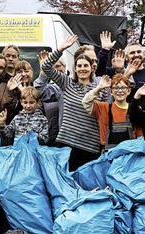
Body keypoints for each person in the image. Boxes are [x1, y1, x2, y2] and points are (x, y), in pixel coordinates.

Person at [42, 35, 106, 171]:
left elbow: (104, 117)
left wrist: (103, 145)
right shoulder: (67, 83)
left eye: (86, 65)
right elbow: (46, 67)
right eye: (79, 66)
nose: (83, 69)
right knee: (67, 182)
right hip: (67, 142)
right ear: (75, 68)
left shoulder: (100, 87)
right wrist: (60, 49)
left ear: (91, 68)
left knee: (87, 184)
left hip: (91, 144)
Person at [83, 74, 134, 152]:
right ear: (111, 91)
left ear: (129, 90)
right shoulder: (103, 108)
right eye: (116, 88)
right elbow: (86, 102)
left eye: (123, 87)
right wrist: (99, 88)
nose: (120, 91)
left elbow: (140, 135)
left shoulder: (134, 109)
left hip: (130, 155)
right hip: (109, 156)